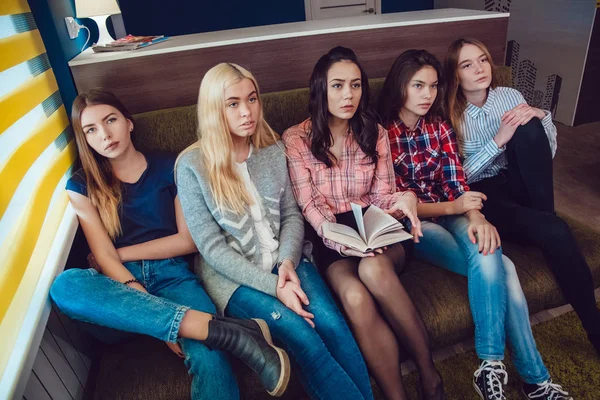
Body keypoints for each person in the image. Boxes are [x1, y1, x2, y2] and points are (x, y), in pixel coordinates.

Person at [49, 89, 290, 399]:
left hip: (174, 276)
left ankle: (213, 332)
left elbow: (187, 241)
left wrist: (118, 253)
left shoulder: (172, 164)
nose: (105, 135)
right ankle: (224, 330)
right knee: (66, 285)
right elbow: (104, 261)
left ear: (129, 122)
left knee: (210, 357)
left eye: (111, 120)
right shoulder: (81, 185)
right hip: (118, 293)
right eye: (91, 130)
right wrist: (160, 320)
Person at [380, 49, 572, 400]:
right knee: (502, 265)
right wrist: (456, 206)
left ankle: (497, 370)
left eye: (434, 86)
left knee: (491, 249)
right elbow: (393, 203)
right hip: (417, 225)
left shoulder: (439, 126)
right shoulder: (381, 134)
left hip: (454, 211)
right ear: (400, 86)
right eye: (418, 85)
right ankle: (535, 378)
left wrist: (476, 216)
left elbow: (457, 183)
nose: (427, 95)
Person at [175, 62, 373, 400]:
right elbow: (211, 249)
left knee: (335, 328)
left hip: (289, 262)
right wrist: (274, 286)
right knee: (305, 337)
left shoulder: (274, 149)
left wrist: (286, 264)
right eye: (233, 103)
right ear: (213, 109)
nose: (247, 111)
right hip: (236, 280)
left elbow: (292, 215)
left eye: (252, 99)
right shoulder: (191, 165)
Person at [283, 46, 444, 400]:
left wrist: (404, 201)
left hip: (376, 228)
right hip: (331, 237)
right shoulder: (296, 139)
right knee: (354, 296)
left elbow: (384, 195)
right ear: (321, 88)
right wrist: (345, 242)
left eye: (355, 85)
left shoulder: (374, 131)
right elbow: (309, 206)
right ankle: (395, 395)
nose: (348, 95)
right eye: (338, 85)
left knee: (372, 270)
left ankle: (429, 372)